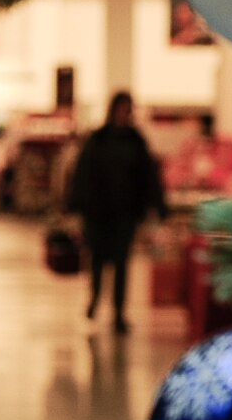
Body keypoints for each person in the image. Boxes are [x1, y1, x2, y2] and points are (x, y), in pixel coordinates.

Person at [66, 91, 166, 333]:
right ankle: (95, 299)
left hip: (125, 212)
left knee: (121, 263)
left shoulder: (135, 141)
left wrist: (158, 205)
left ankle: (119, 311)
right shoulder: (98, 139)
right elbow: (82, 174)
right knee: (98, 260)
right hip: (98, 212)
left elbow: (148, 176)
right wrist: (76, 205)